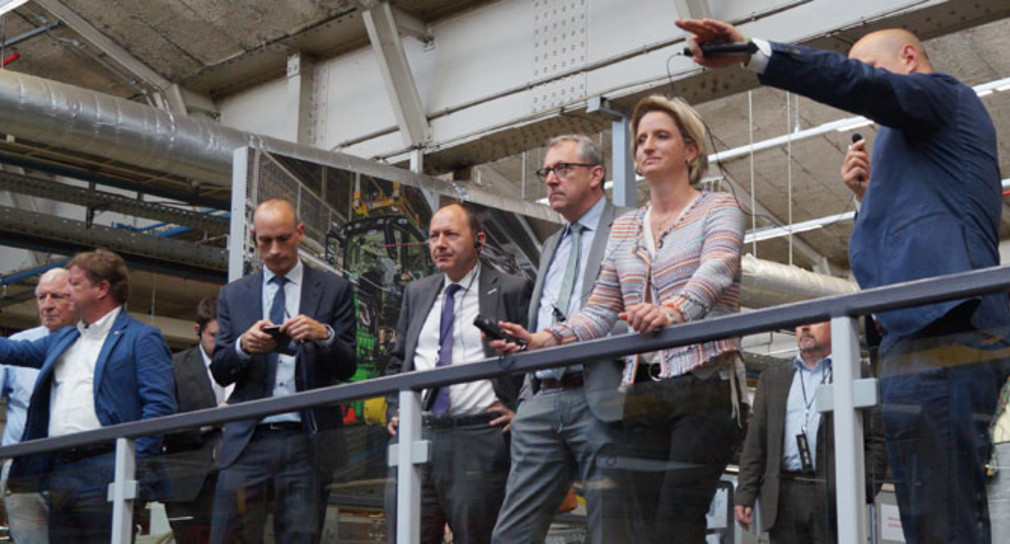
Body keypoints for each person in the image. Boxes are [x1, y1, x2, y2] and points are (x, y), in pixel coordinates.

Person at [676, 18, 1010, 543]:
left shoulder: (946, 97)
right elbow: (905, 236)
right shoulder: (912, 143)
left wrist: (754, 53)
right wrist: (866, 198)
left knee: (944, 514)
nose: (864, 81)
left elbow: (865, 86)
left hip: (946, 329)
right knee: (930, 513)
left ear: (908, 58)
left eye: (871, 67)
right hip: (911, 336)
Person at [495, 95, 747, 543]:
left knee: (676, 525)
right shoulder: (628, 226)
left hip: (704, 383)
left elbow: (718, 269)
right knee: (641, 529)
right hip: (642, 393)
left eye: (661, 136)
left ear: (690, 150)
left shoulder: (719, 207)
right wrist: (544, 339)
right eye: (641, 139)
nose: (647, 146)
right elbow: (599, 308)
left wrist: (671, 310)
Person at [491, 135, 632, 543]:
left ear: (596, 175)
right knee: (511, 535)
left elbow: (638, 309)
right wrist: (528, 359)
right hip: (541, 400)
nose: (551, 180)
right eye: (546, 171)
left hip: (601, 396)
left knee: (610, 532)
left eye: (562, 169)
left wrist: (566, 338)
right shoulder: (552, 244)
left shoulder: (631, 225)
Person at [0, 249, 177, 543]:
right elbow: (14, 351)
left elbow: (160, 406)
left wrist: (133, 465)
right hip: (61, 472)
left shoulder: (141, 338)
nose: (67, 291)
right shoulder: (66, 338)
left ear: (101, 288)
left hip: (109, 467)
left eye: (74, 283)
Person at [210, 198, 357, 544]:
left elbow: (348, 366)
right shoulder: (234, 295)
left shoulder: (334, 289)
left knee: (299, 537)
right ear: (253, 237)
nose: (274, 250)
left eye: (283, 239)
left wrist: (324, 335)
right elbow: (220, 371)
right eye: (265, 241)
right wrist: (243, 346)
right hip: (248, 440)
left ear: (300, 233)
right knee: (229, 536)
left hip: (309, 440)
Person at [384, 202, 532, 544]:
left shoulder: (509, 289)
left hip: (478, 438)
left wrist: (522, 412)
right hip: (416, 434)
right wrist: (395, 409)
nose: (440, 244)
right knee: (407, 534)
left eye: (451, 234)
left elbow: (534, 357)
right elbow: (398, 361)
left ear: (479, 240)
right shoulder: (417, 293)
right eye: (433, 236)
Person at [734, 322, 887, 543]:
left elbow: (875, 441)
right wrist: (745, 494)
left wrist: (863, 490)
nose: (804, 327)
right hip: (783, 494)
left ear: (834, 327)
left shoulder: (855, 373)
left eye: (814, 322)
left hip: (833, 493)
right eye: (799, 325)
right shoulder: (774, 377)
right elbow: (756, 443)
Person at [0, 268, 76, 544]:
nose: (47, 305)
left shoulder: (91, 347)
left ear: (76, 298)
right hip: (25, 468)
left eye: (57, 296)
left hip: (76, 467)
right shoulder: (19, 344)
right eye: (42, 297)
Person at [162, 297, 232, 544]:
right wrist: (209, 421)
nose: (222, 343)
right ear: (197, 330)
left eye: (228, 336)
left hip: (240, 480)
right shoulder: (174, 367)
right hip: (190, 483)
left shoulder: (249, 365)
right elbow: (161, 423)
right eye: (214, 335)